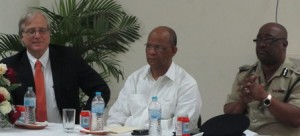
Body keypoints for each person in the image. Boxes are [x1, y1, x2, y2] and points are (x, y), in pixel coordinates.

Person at [0, 10, 110, 124]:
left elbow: (101, 89)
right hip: (25, 131)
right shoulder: (9, 66)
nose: (37, 36)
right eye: (31, 31)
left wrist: (86, 117)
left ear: (49, 34)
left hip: (65, 131)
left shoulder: (69, 58)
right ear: (21, 36)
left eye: (42, 30)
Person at [107, 26, 202, 131]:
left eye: (159, 48)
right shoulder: (135, 79)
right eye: (148, 46)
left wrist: (139, 126)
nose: (151, 52)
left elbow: (183, 127)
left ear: (173, 51)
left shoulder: (186, 84)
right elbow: (115, 119)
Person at [224, 22, 300, 135]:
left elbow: (296, 119)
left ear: (284, 44)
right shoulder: (246, 74)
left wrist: (265, 97)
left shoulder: (296, 78)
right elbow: (228, 118)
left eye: (269, 40)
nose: (262, 44)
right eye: (259, 40)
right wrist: (243, 102)